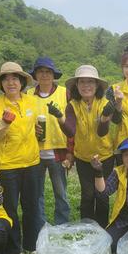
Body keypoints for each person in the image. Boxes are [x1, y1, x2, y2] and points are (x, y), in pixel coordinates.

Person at [0, 62, 41, 254]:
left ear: (22, 82)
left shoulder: (32, 101)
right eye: (6, 79)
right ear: (1, 83)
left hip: (32, 162)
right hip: (7, 165)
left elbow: (36, 127)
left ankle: (31, 244)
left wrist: (39, 132)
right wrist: (5, 123)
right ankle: (14, 248)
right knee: (10, 207)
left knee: (31, 206)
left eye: (15, 78)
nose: (11, 82)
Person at [60, 65, 114, 228]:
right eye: (82, 82)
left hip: (105, 156)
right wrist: (60, 119)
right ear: (76, 85)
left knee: (102, 194)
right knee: (88, 194)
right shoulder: (72, 105)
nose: (86, 86)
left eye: (90, 82)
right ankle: (87, 228)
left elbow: (102, 132)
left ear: (97, 85)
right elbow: (71, 131)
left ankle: (103, 228)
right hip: (82, 157)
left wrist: (104, 118)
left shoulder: (105, 103)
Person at [27, 57, 72, 225]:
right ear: (35, 75)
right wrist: (33, 129)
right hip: (35, 152)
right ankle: (41, 225)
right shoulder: (28, 94)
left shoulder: (64, 93)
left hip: (58, 151)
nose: (44, 75)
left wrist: (70, 151)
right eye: (41, 71)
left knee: (61, 192)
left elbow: (72, 123)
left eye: (48, 72)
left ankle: (62, 225)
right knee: (37, 193)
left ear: (53, 75)